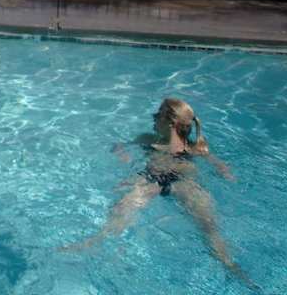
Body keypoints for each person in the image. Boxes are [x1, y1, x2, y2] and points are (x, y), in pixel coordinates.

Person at [65, 98, 250, 283]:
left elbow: (220, 166)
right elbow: (118, 145)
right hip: (150, 180)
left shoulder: (196, 149)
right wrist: (123, 153)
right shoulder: (148, 139)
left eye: (158, 114)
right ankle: (96, 242)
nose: (153, 118)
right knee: (121, 208)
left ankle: (228, 264)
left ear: (171, 122)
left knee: (209, 225)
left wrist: (224, 171)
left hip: (183, 183)